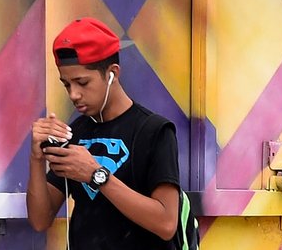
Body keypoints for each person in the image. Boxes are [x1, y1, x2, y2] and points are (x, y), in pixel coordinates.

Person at [27, 17, 181, 248]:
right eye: (67, 84)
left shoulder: (155, 131)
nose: (74, 94)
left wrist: (97, 175)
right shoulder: (75, 132)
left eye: (82, 82)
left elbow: (166, 224)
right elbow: (40, 220)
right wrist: (36, 159)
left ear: (112, 74)